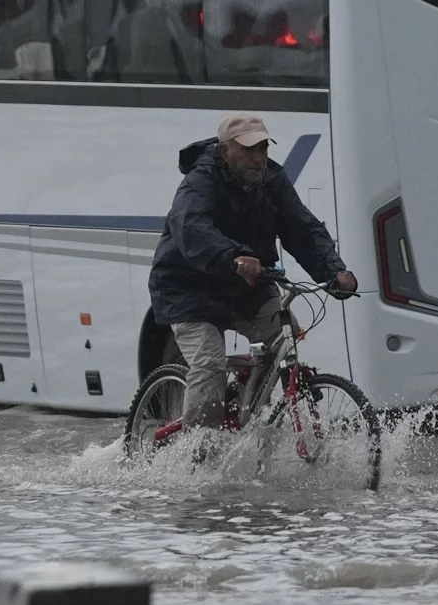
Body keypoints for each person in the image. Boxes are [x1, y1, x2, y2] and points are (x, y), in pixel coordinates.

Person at [149, 114, 358, 434]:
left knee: (287, 340)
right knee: (209, 366)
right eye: (248, 150)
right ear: (224, 152)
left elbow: (302, 229)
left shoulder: (273, 180)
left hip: (248, 288)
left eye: (262, 148)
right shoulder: (200, 180)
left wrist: (334, 271)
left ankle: (246, 412)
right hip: (188, 289)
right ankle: (200, 451)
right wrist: (233, 256)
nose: (258, 158)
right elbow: (191, 226)